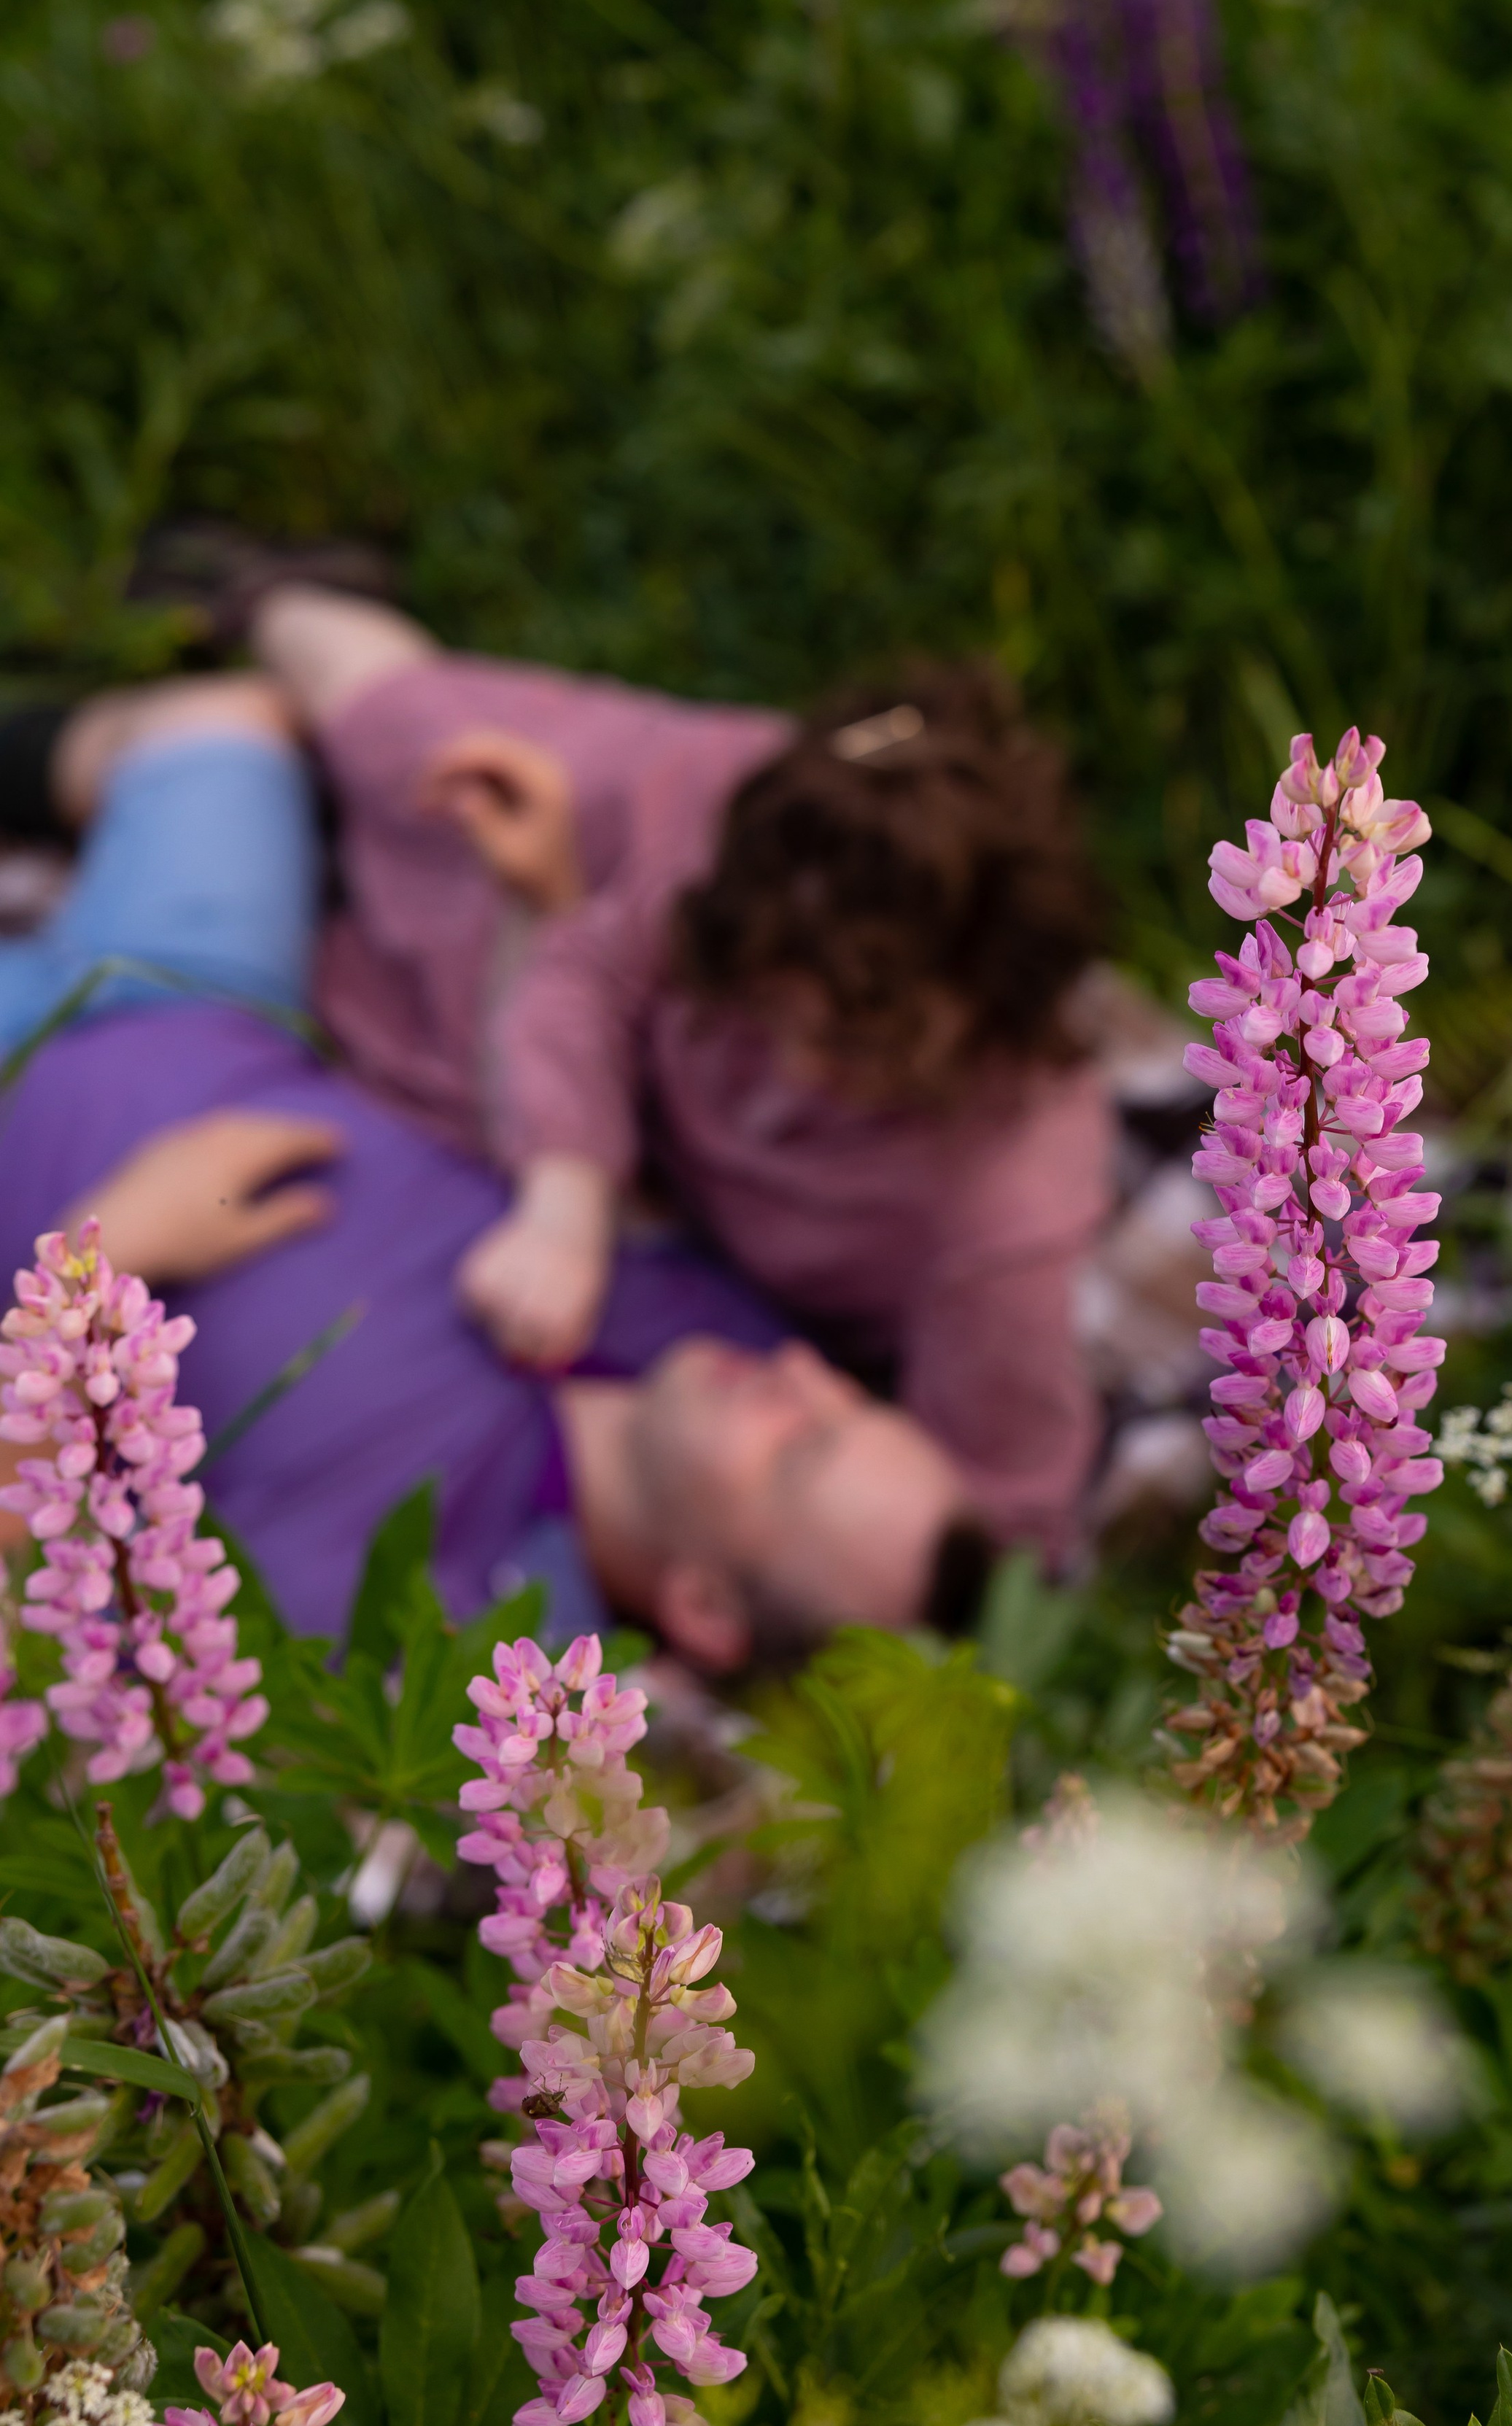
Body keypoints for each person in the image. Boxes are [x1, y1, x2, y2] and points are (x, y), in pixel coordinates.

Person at [0, 683, 988, 1665]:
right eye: (855, 1402)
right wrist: (543, 911)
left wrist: (107, 1253)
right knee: (222, 724)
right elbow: (560, 1125)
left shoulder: (407, 1608)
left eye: (801, 1447)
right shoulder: (716, 1338)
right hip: (206, 1001)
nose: (805, 1375)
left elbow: (34, 1590)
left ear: (707, 1607)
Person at [223, 576, 1113, 1562]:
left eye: (866, 1046)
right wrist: (568, 1198)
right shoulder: (757, 846)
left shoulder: (1000, 1214)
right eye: (772, 1009)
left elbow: (996, 1535)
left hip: (607, 1138)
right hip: (614, 847)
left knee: (426, 1026)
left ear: (998, 1016)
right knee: (408, 737)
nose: (802, 1066)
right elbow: (592, 965)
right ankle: (263, 591)